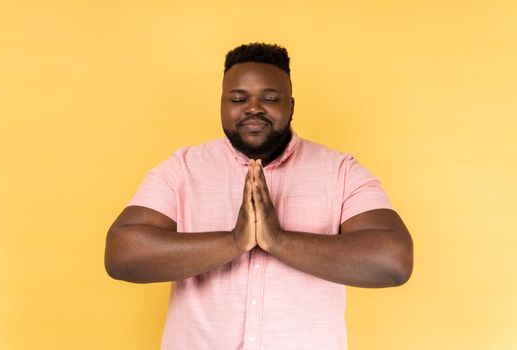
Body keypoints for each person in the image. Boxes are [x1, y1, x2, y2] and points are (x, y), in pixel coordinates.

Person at [104, 43, 413, 350]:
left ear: (291, 105)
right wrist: (235, 241)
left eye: (270, 98)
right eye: (239, 98)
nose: (253, 108)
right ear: (222, 105)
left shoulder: (340, 172)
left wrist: (278, 240)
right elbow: (121, 255)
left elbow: (393, 262)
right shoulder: (183, 169)